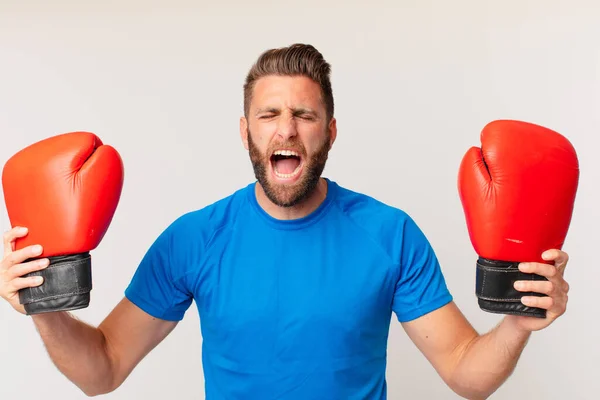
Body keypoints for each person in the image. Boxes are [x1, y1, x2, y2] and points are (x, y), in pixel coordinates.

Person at [0, 43, 570, 400]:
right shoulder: (194, 240)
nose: (287, 130)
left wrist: (519, 322)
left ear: (331, 130)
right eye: (269, 114)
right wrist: (44, 309)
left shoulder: (389, 234)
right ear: (245, 131)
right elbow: (103, 371)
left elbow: (466, 375)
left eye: (304, 114)